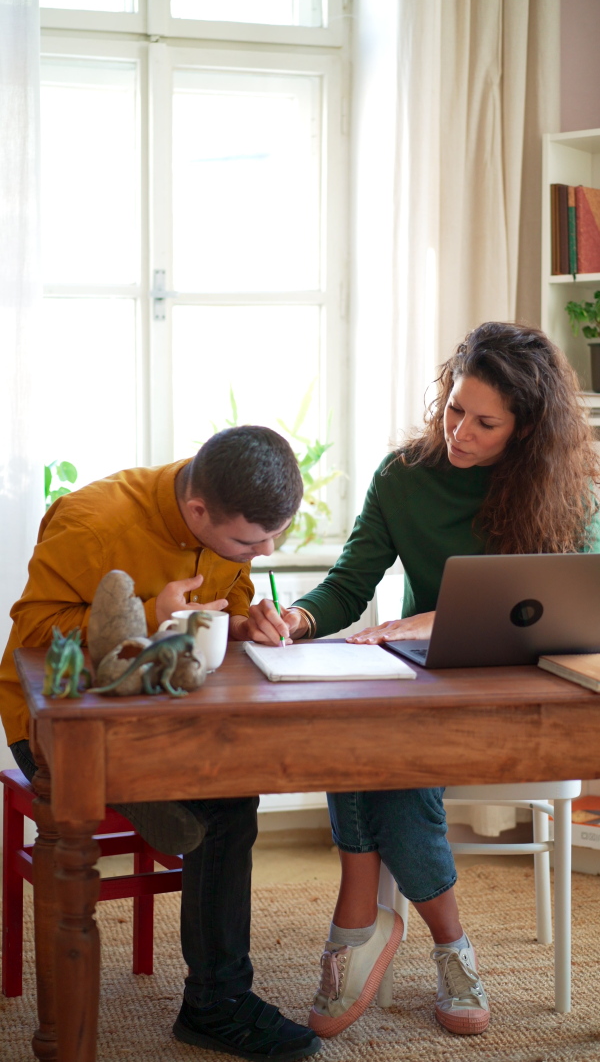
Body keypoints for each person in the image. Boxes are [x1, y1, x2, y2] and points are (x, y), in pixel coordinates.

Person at [245, 321, 600, 1039]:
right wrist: (297, 620)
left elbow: (587, 601)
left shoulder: (572, 491)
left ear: (526, 430)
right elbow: (347, 586)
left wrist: (434, 619)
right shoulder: (404, 476)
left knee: (392, 754)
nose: (459, 430)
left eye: (484, 421)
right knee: (372, 736)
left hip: (525, 699)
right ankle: (450, 943)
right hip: (426, 692)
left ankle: (364, 916)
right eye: (453, 408)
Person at [0, 425, 323, 1062]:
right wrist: (148, 614)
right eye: (249, 542)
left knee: (229, 798)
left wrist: (246, 618)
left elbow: (228, 596)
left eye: (273, 537)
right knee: (220, 812)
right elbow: (36, 637)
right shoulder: (93, 522)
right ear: (198, 510)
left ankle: (212, 995)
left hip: (165, 711)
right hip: (56, 722)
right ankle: (218, 1005)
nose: (263, 551)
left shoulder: (227, 513)